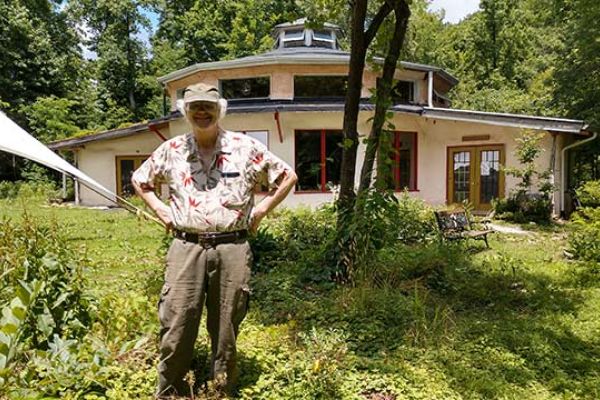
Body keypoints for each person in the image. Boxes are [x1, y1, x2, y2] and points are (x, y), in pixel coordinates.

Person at [131, 83, 297, 398]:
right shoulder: (172, 149)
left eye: (208, 106)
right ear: (186, 112)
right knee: (177, 321)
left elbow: (287, 176)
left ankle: (220, 390)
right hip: (186, 247)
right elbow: (140, 180)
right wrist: (160, 209)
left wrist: (261, 209)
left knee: (226, 327)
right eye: (195, 107)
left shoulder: (244, 147)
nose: (202, 112)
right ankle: (171, 392)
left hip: (232, 246)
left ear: (219, 109)